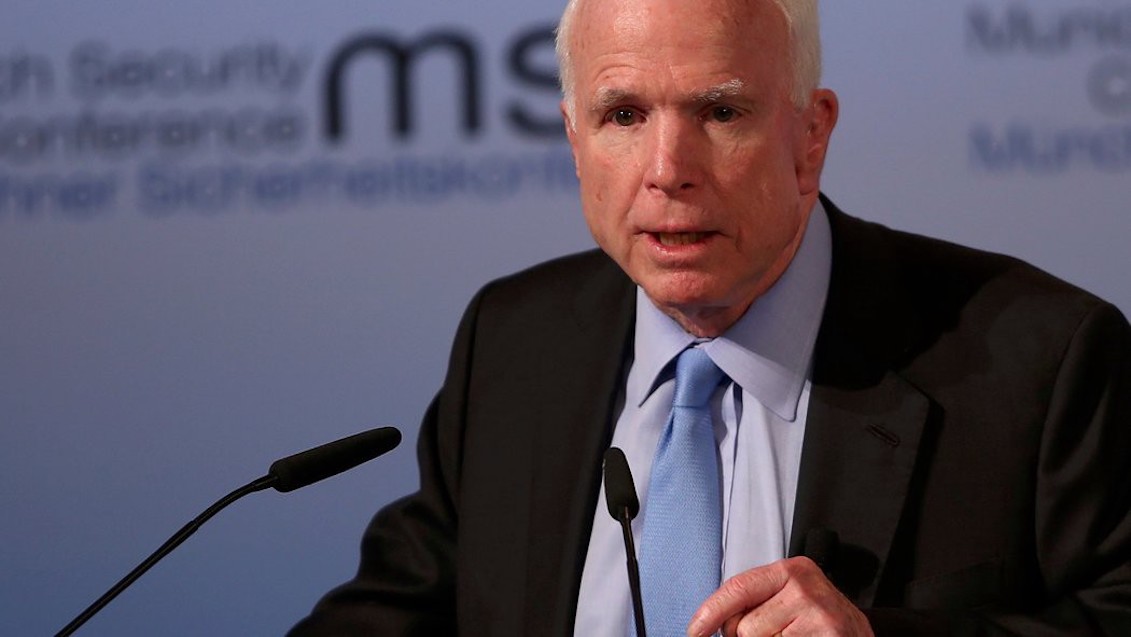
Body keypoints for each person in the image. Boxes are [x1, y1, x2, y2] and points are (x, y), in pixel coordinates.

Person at [289, 0, 1131, 634]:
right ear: (572, 138)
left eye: (719, 112)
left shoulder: (1043, 360)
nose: (666, 170)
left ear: (810, 135)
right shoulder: (514, 342)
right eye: (623, 115)